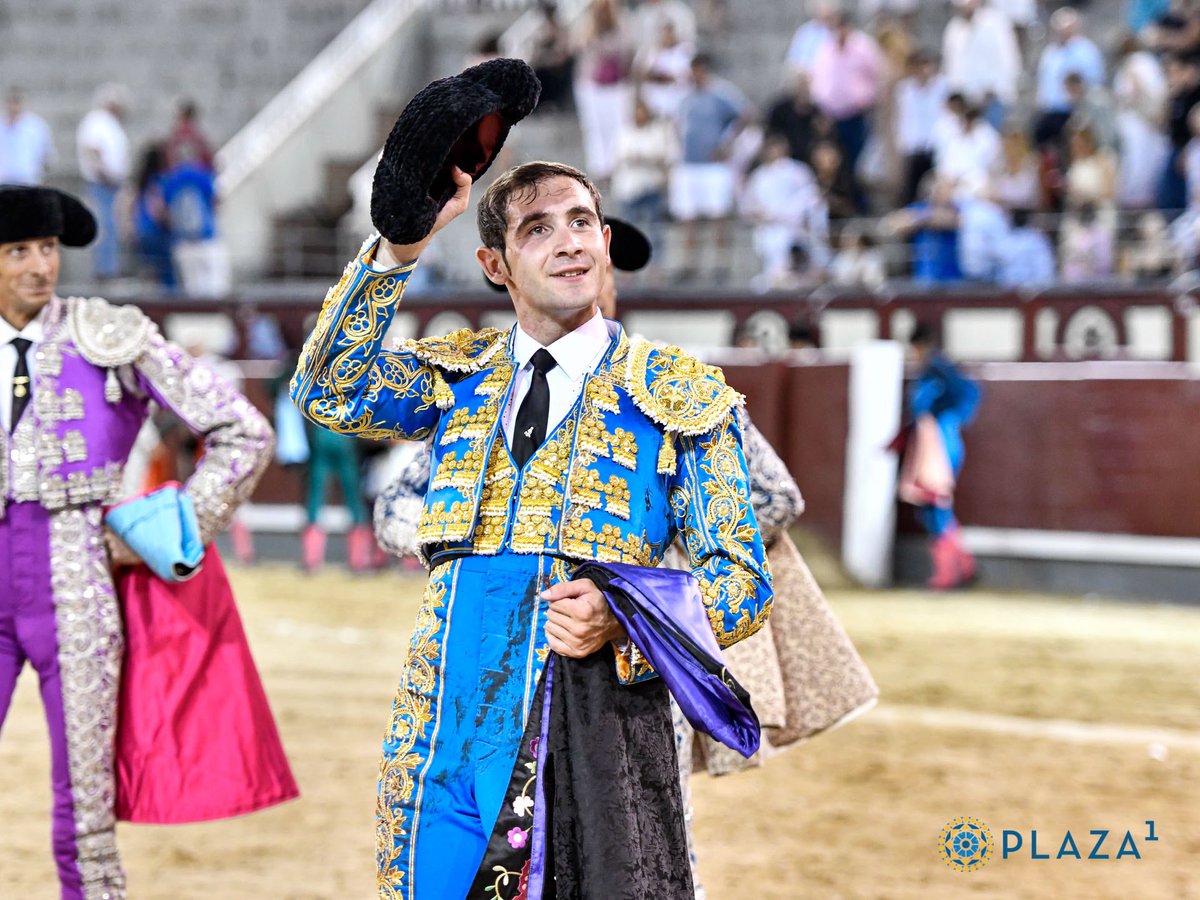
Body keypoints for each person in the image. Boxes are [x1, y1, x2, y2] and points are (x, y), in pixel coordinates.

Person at [292, 144, 772, 898]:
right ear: (495, 264)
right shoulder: (457, 379)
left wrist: (624, 616)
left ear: (605, 241)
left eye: (583, 221)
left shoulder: (678, 392)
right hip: (441, 727)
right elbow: (326, 389)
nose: (571, 240)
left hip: (592, 723)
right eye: (539, 229)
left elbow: (741, 580)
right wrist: (399, 247)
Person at [0, 184, 278, 898]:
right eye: (18, 251)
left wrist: (177, 527)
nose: (40, 266)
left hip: (78, 583)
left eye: (49, 248)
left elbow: (242, 429)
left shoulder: (106, 334)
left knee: (85, 814)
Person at [899, 322, 982, 590]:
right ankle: (964, 565)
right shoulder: (942, 369)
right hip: (938, 441)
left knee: (935, 503)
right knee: (934, 504)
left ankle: (948, 573)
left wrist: (948, 420)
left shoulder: (937, 370)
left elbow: (967, 395)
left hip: (937, 444)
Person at [671, 53, 754, 281]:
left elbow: (745, 115)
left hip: (713, 165)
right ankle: (689, 263)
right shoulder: (686, 97)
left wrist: (726, 142)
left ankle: (721, 263)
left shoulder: (721, 93)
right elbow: (678, 124)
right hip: (689, 164)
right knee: (688, 216)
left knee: (718, 215)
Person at [76, 83, 131, 280]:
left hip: (112, 183)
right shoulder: (96, 121)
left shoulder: (109, 123)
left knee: (114, 226)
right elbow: (92, 149)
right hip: (102, 183)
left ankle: (112, 267)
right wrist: (104, 173)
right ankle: (104, 270)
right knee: (105, 226)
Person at [0, 87, 55, 185]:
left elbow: (46, 154)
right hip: (4, 180)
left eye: (16, 102)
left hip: (28, 180)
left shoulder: (36, 126)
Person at [163, 98, 214, 171]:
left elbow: (168, 159)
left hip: (178, 175)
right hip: (197, 174)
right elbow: (208, 159)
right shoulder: (198, 136)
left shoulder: (175, 135)